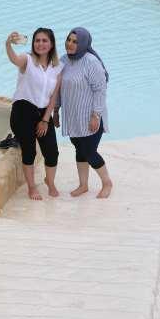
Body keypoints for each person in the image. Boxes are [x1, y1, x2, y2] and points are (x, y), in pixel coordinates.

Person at [55, 27, 113, 198]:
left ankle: (107, 183)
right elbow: (58, 89)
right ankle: (83, 185)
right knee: (79, 149)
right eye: (69, 40)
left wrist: (96, 115)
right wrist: (56, 111)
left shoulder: (91, 62)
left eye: (75, 41)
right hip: (73, 117)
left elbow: (100, 90)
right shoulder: (63, 60)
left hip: (90, 117)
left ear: (83, 44)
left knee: (89, 151)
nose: (70, 44)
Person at [5, 28, 62, 200]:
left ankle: (50, 181)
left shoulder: (58, 67)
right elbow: (14, 59)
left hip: (43, 113)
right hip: (23, 111)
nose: (41, 44)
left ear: (51, 44)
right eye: (37, 40)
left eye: (45, 40)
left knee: (52, 152)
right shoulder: (27, 60)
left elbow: (53, 97)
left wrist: (45, 120)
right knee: (29, 151)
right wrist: (8, 43)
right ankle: (31, 186)